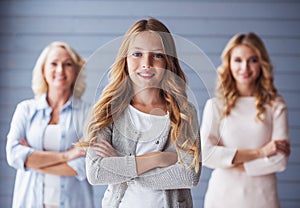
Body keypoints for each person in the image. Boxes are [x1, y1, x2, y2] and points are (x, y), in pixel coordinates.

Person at [78, 18, 201, 208]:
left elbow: (188, 175)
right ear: (125, 59)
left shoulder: (184, 113)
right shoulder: (106, 111)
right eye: (137, 54)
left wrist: (121, 165)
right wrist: (159, 158)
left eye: (157, 55)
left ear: (169, 62)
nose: (146, 63)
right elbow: (96, 173)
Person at [201, 32, 290, 208]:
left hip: (262, 197)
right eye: (238, 60)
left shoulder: (276, 106)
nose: (245, 67)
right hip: (221, 196)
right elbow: (206, 154)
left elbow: (280, 160)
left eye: (253, 60)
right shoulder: (215, 106)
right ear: (229, 63)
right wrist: (261, 153)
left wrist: (229, 161)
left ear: (262, 63)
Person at [6, 41, 94, 208]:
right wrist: (67, 155)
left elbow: (84, 166)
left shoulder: (89, 113)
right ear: (43, 70)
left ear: (76, 72)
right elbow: (14, 155)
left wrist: (32, 160)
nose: (60, 70)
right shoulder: (25, 110)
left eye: (67, 64)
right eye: (54, 64)